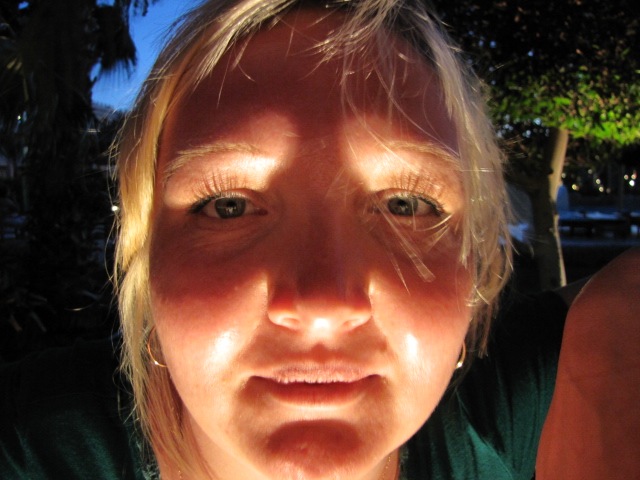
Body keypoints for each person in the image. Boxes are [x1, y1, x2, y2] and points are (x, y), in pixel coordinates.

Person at [1, 0, 636, 479]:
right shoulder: (34, 445)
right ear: (147, 258)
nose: (323, 305)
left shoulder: (512, 415)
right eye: (228, 206)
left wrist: (609, 332)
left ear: (475, 272)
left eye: (405, 204)